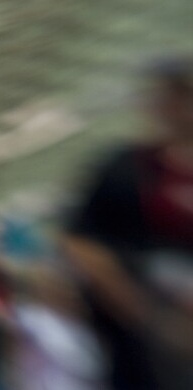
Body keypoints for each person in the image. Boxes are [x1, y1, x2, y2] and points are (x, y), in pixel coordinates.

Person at [63, 58, 193, 390]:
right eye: (172, 97)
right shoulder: (126, 167)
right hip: (149, 348)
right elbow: (81, 244)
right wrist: (149, 317)